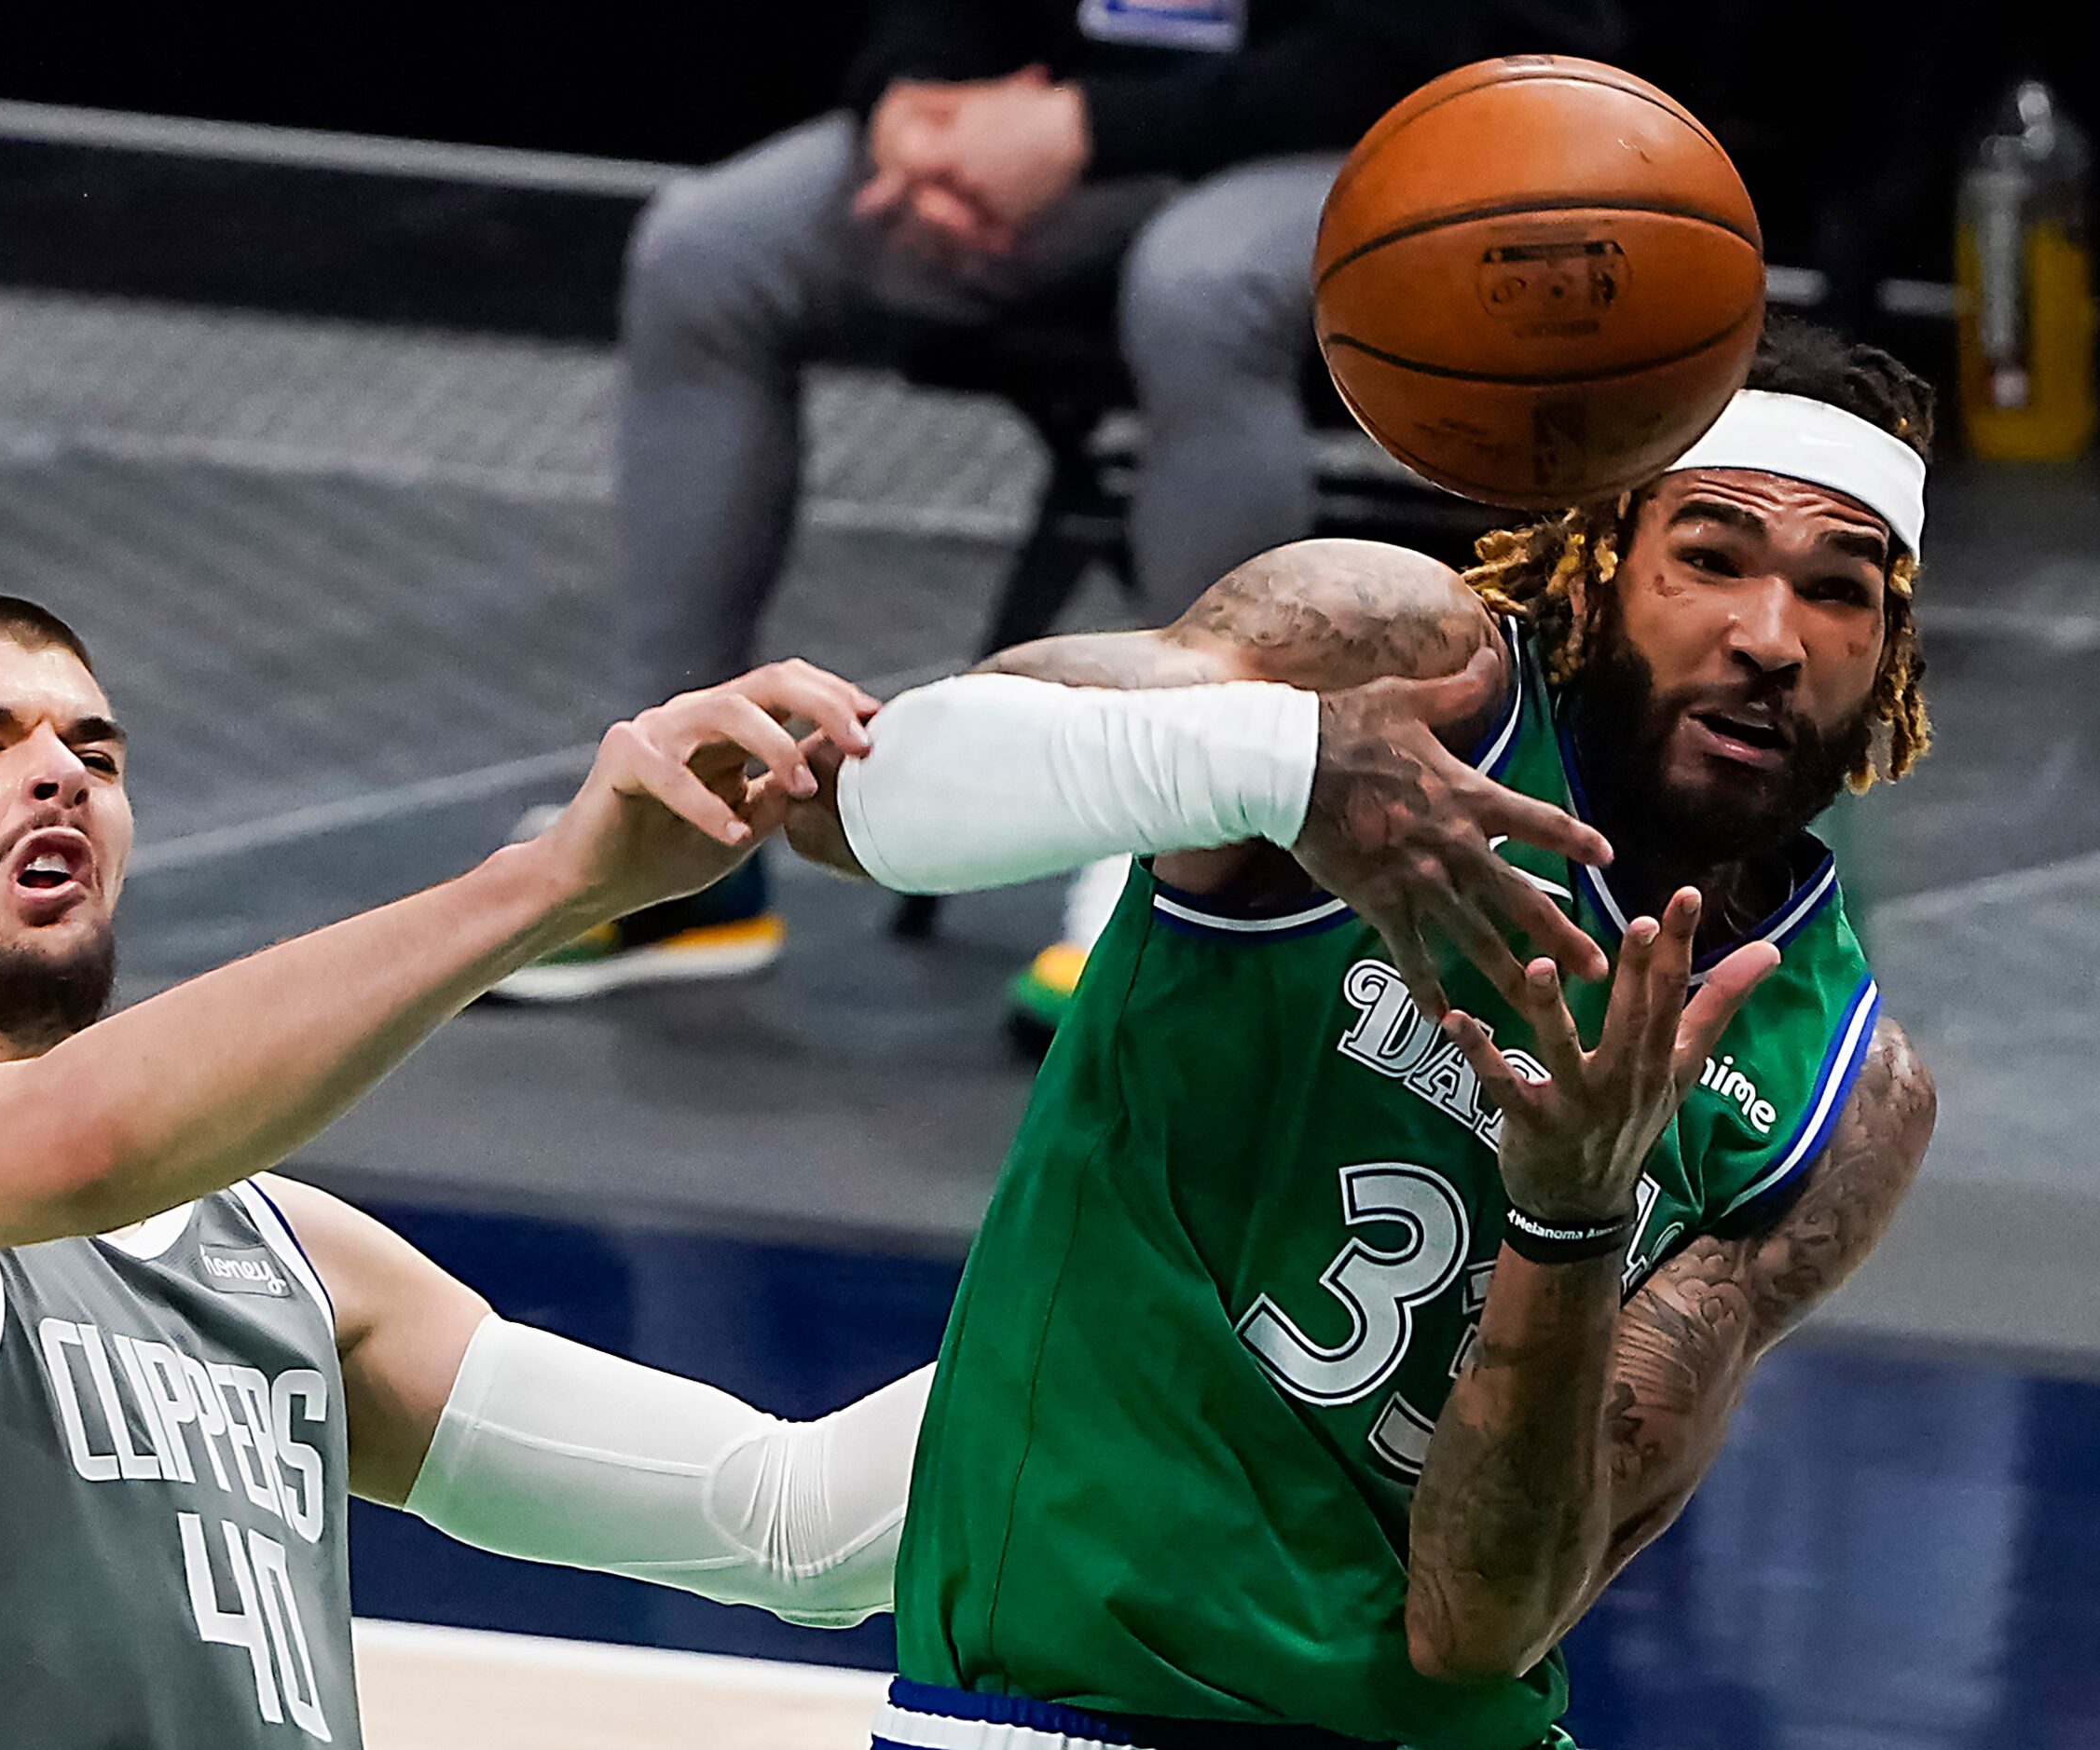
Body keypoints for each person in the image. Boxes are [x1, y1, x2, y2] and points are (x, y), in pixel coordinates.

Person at [786, 321, 1943, 1748]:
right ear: (1596, 558)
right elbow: (853, 801)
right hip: (1072, 1703)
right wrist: (1278, 761)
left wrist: (1572, 1216)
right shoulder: (1390, 666)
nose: (1771, 640)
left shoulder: (1842, 1091)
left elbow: (1477, 1629)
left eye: (1838, 593)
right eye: (1710, 556)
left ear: (1887, 651)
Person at [0, 600, 941, 1748]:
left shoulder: (289, 1263)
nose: (59, 776)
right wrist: (552, 884)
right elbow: (78, 1141)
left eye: (93, 752)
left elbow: (791, 1518)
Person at [494, 0, 1627, 1001]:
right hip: (1062, 142)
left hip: (1377, 145)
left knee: (1199, 291)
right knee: (706, 251)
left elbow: (1396, 47)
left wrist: (1087, 130)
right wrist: (914, 108)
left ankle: (1180, 837)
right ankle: (671, 823)